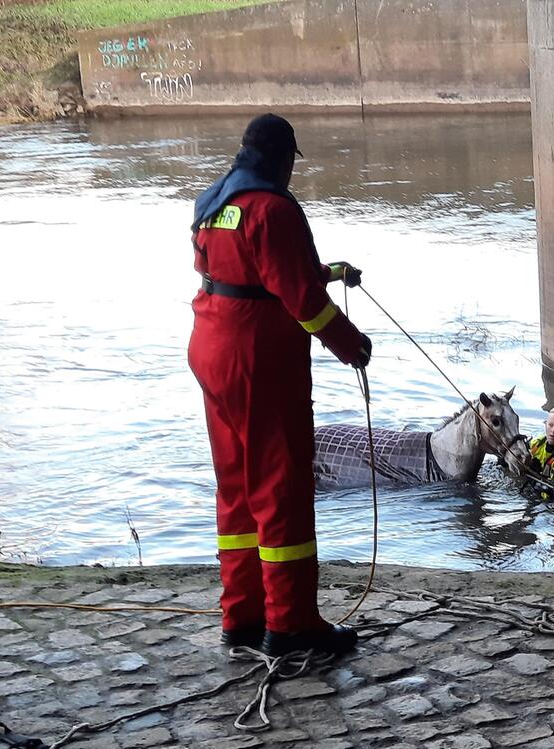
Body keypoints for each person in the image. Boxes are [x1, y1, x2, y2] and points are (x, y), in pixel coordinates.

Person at [188, 113, 371, 658]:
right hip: (258, 361)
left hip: (212, 350)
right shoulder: (272, 208)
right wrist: (351, 345)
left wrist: (330, 269)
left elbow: (254, 271)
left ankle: (241, 617)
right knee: (281, 489)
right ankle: (291, 626)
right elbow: (301, 302)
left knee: (237, 489)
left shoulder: (216, 203)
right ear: (284, 159)